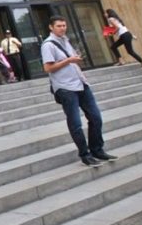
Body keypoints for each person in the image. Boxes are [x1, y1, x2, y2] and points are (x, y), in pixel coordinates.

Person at [41, 15, 118, 167]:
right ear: (51, 27)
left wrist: (75, 61)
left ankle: (97, 150)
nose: (62, 28)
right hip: (65, 88)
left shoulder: (65, 41)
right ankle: (85, 154)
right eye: (59, 26)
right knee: (75, 123)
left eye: (64, 25)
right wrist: (69, 60)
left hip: (81, 84)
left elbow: (71, 61)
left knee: (96, 117)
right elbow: (48, 68)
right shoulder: (48, 45)